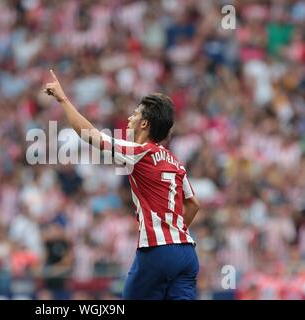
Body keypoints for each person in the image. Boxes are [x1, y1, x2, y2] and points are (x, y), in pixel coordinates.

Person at [44, 69, 201, 300]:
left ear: (145, 123)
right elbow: (194, 204)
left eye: (135, 114)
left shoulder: (139, 152)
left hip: (157, 253)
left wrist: (62, 99)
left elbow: (90, 135)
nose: (129, 119)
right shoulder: (175, 161)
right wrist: (175, 238)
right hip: (187, 254)